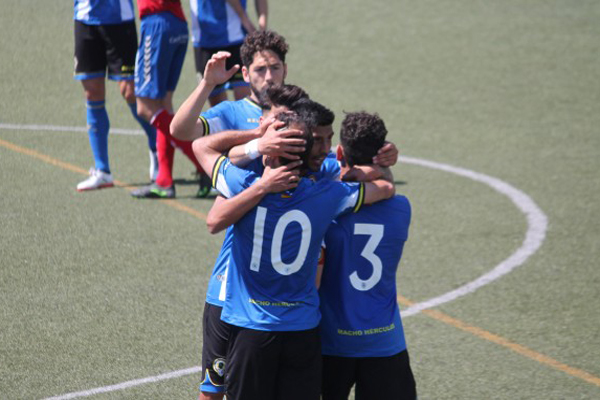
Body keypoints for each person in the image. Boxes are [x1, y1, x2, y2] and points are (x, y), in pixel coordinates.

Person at [193, 111, 396, 400]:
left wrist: (257, 140)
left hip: (253, 328)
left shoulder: (242, 185)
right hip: (302, 330)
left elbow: (200, 147)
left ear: (272, 156)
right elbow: (385, 188)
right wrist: (373, 169)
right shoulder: (328, 195)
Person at [319, 112, 417, 400]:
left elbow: (320, 178)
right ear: (381, 153)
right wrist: (383, 172)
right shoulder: (402, 209)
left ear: (339, 151)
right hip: (385, 342)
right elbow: (387, 189)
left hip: (330, 342)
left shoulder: (326, 209)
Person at [129, 0, 212, 199]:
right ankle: (164, 181)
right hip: (177, 24)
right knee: (164, 105)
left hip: (157, 22)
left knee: (145, 107)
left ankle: (203, 162)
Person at [73, 0, 158, 191]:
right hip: (84, 17)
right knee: (92, 92)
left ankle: (156, 146)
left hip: (119, 20)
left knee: (130, 92)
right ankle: (103, 171)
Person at [189, 0, 268, 106]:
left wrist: (261, 26)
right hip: (205, 38)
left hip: (236, 36)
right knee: (219, 106)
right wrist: (248, 23)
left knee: (245, 103)